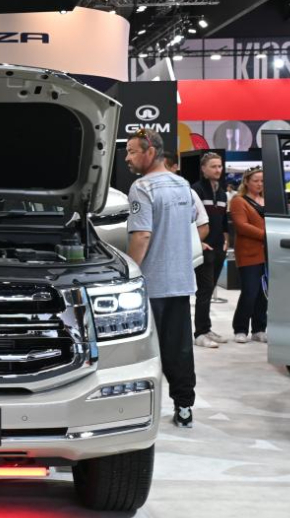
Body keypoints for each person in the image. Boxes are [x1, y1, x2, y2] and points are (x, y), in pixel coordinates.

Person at [125, 128, 198, 429]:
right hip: (180, 282)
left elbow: (142, 235)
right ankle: (184, 407)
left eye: (132, 151)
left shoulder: (142, 187)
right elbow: (192, 220)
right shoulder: (183, 185)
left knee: (140, 350)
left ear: (150, 152)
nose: (127, 158)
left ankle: (134, 411)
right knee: (179, 348)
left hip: (151, 284)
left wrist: (129, 273)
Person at [192, 152, 230, 348]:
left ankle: (206, 329)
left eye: (220, 166)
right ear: (203, 169)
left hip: (218, 248)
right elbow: (190, 220)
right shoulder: (196, 191)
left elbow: (223, 221)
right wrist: (198, 242)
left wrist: (226, 240)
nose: (218, 170)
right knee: (205, 289)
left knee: (210, 287)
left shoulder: (222, 193)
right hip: (204, 248)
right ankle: (200, 332)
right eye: (213, 166)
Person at [230, 167, 268, 343]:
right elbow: (242, 226)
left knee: (263, 294)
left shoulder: (268, 200)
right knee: (249, 292)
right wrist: (266, 235)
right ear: (246, 182)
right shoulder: (239, 201)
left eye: (262, 181)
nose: (259, 184)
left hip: (268, 253)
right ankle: (240, 329)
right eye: (256, 181)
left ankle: (259, 328)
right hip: (248, 253)